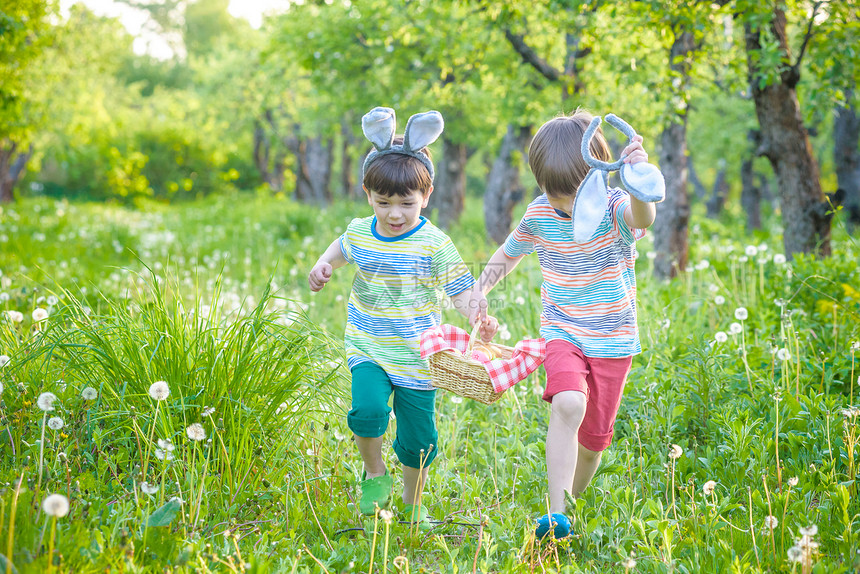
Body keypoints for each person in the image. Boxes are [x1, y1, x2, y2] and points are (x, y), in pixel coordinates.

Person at [468, 109, 658, 539]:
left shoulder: (614, 208)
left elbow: (643, 218)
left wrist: (641, 180)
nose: (567, 206)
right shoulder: (539, 214)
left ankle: (571, 502)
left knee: (593, 444)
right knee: (568, 404)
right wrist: (482, 287)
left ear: (600, 174)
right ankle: (554, 515)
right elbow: (509, 252)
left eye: (574, 194)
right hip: (562, 329)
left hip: (613, 338)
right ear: (542, 187)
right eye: (557, 196)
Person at [308, 107, 497, 529]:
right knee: (367, 411)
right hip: (368, 343)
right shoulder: (360, 230)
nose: (394, 214)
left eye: (407, 204)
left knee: (419, 440)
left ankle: (412, 504)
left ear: (426, 197)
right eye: (383, 202)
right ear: (367, 193)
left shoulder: (434, 242)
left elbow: (461, 290)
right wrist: (323, 267)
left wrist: (479, 317)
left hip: (418, 356)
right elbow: (339, 249)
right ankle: (374, 472)